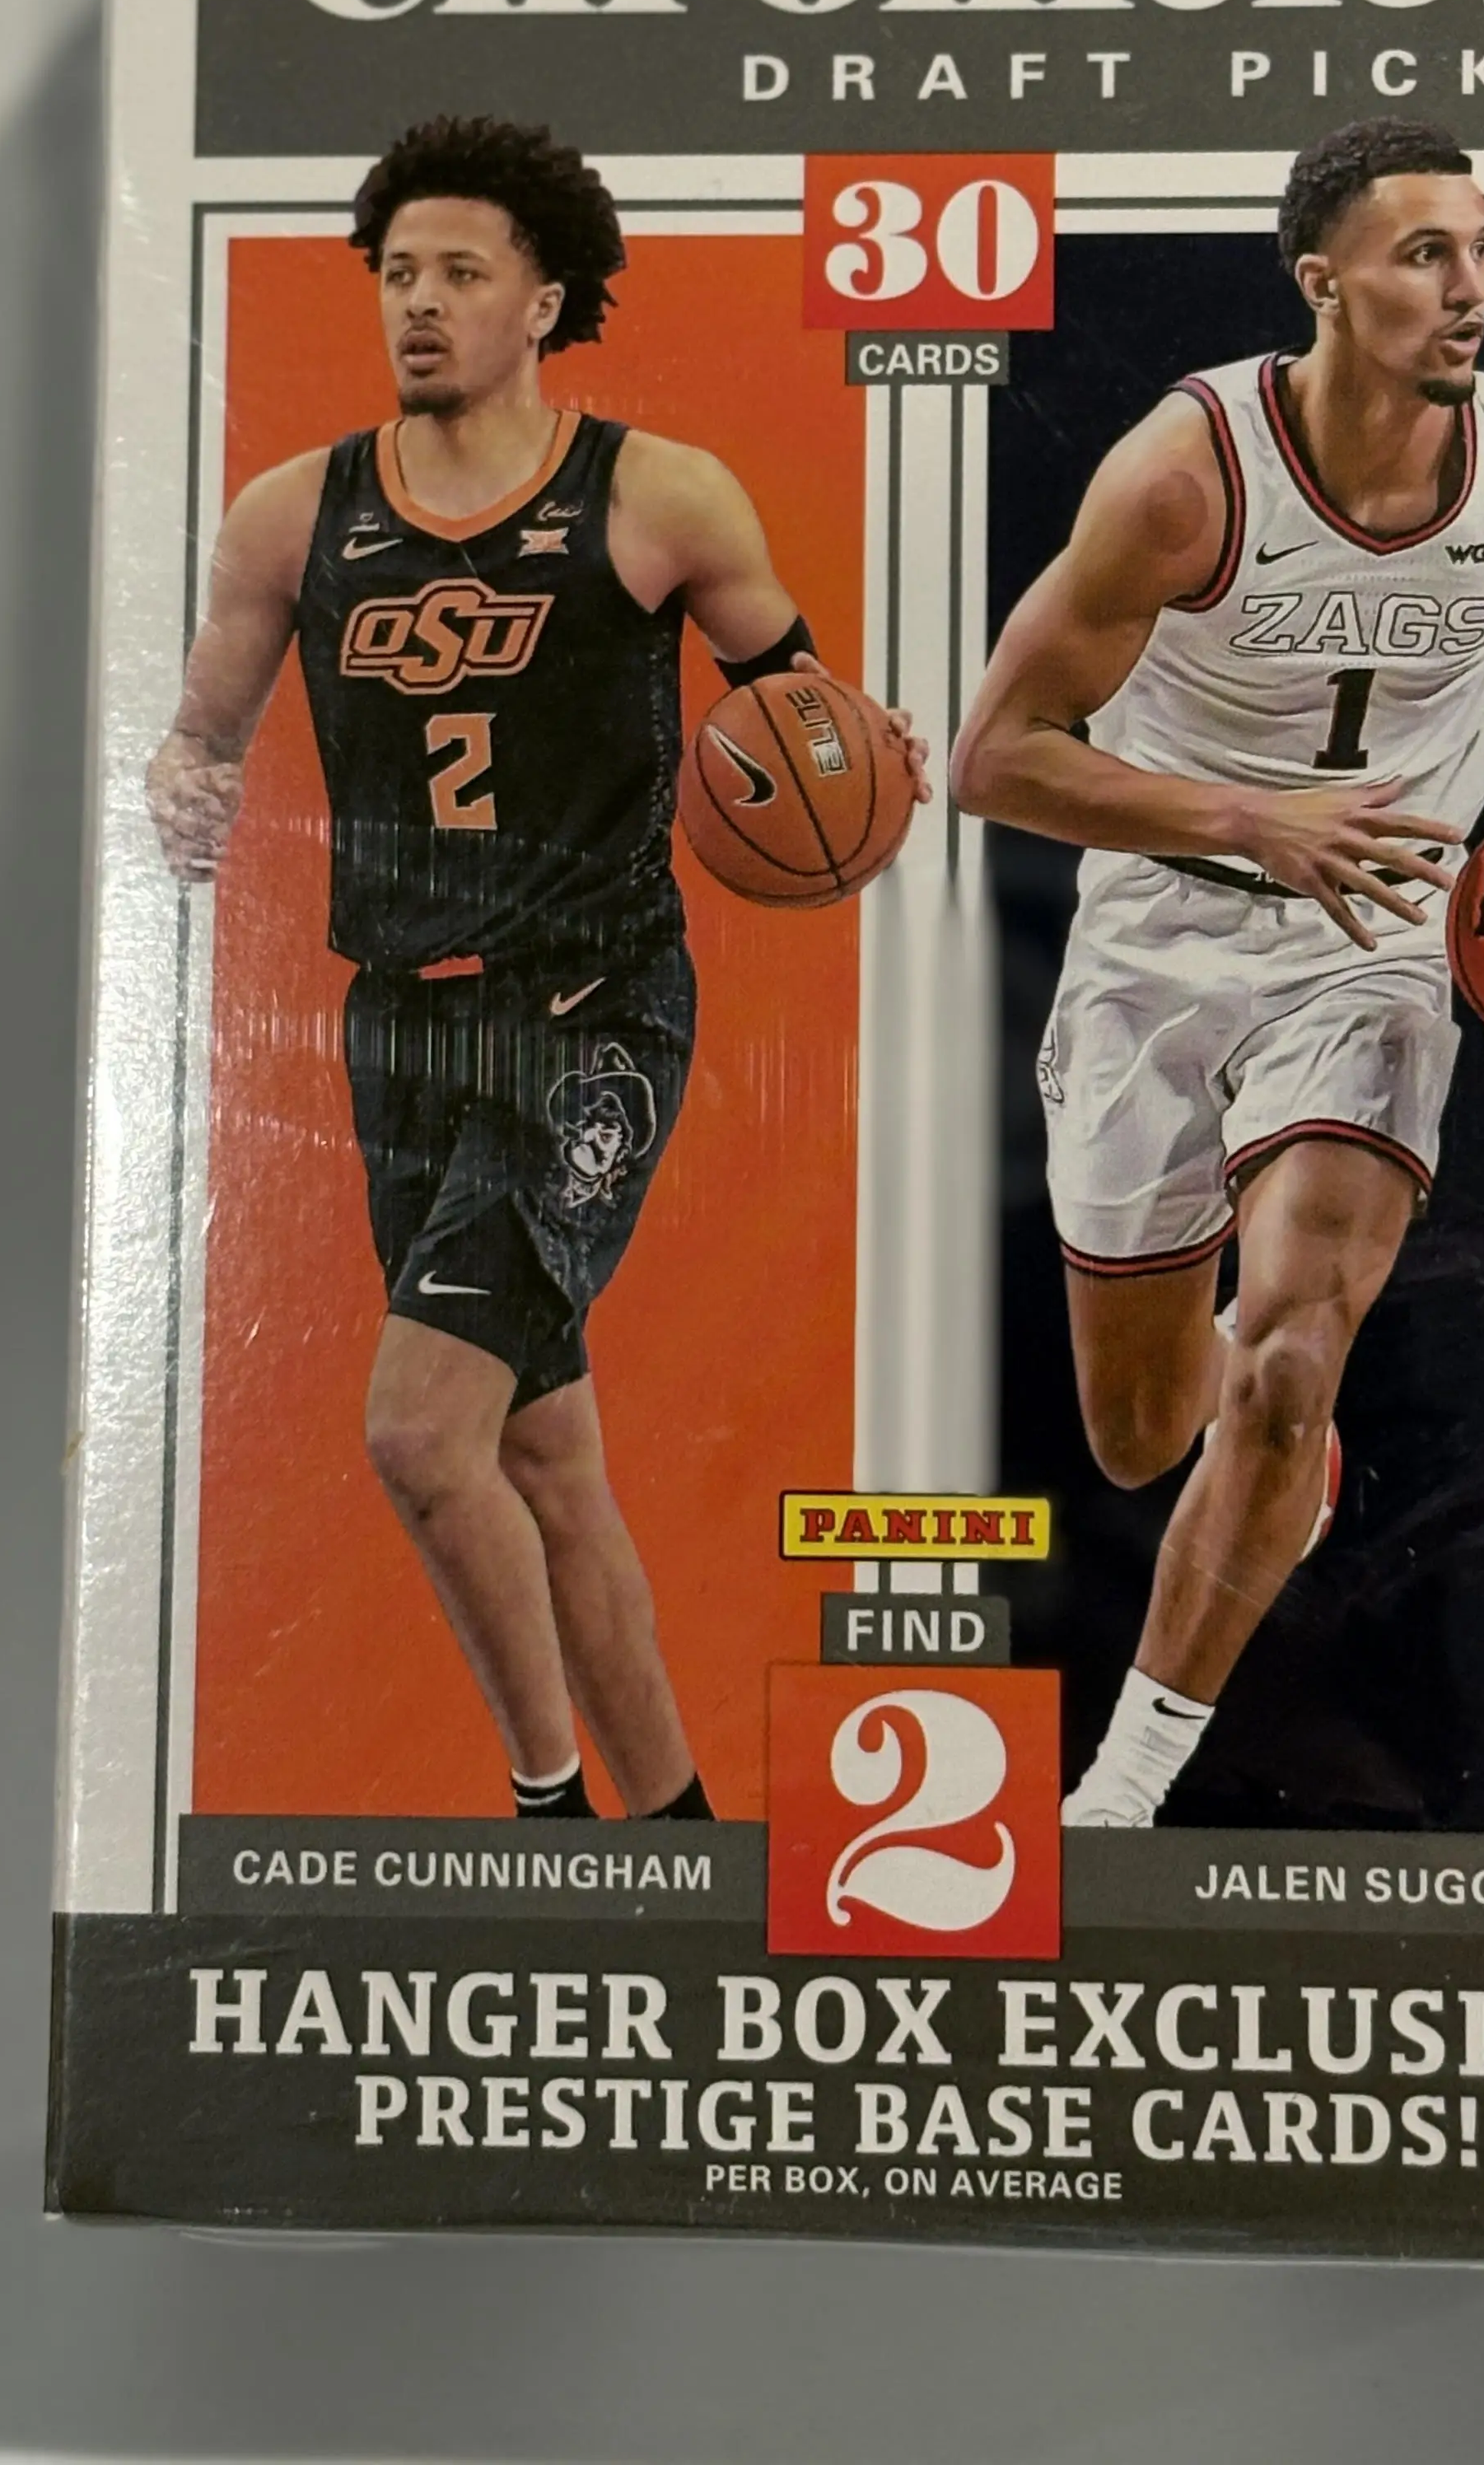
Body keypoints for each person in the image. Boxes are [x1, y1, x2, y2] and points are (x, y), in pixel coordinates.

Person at [950, 115, 1484, 1828]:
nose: (1471, 287)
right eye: (1424, 254)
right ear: (1323, 281)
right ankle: (1263, 1457)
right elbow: (996, 758)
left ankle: (1125, 1786)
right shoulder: (1186, 480)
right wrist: (1256, 821)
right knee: (1141, 1434)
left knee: (1298, 1357)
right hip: (1160, 928)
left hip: (1377, 946)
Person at [147, 112, 921, 1822]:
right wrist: (183, 789)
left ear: (544, 301)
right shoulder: (292, 517)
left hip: (589, 1013)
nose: (419, 303)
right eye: (397, 274)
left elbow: (805, 718)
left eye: (459, 273)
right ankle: (675, 1838)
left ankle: (549, 1813)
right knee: (544, 1460)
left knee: (422, 1434)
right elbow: (201, 732)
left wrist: (872, 762)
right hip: (398, 1028)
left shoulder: (656, 496)